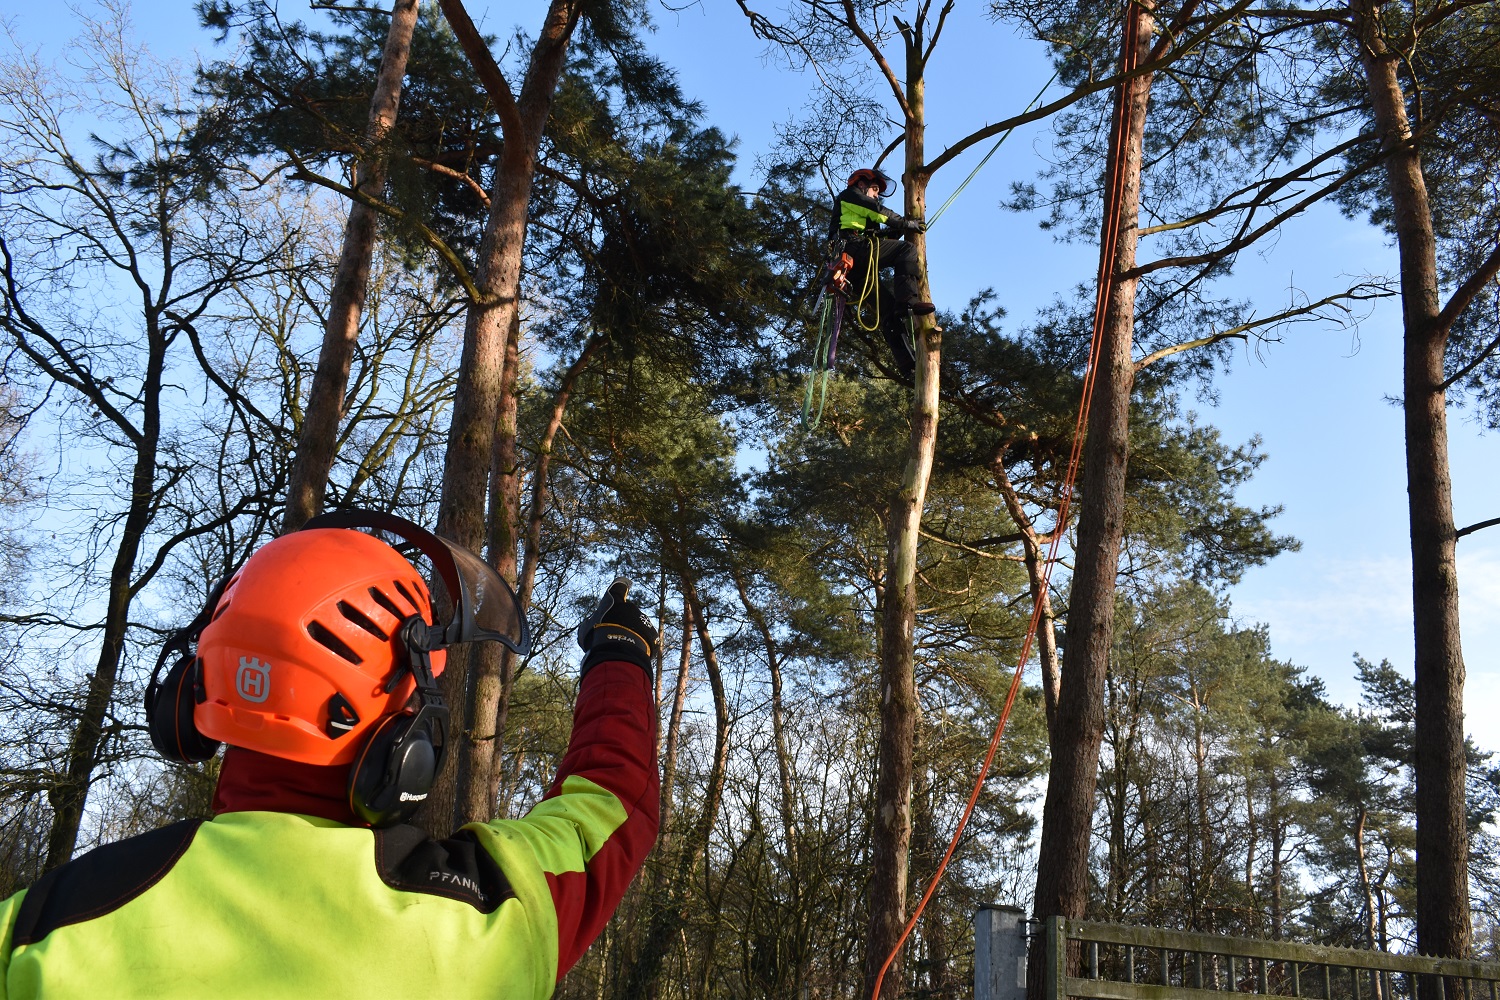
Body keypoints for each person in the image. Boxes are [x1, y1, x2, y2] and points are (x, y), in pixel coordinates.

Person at [0, 510, 659, 999]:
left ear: (194, 695)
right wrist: (619, 653)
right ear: (406, 741)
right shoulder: (482, 921)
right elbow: (611, 802)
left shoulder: (37, 927)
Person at [828, 167, 937, 378]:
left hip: (854, 264)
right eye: (875, 188)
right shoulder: (850, 196)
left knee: (888, 312)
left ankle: (908, 364)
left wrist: (892, 231)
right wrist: (906, 223)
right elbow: (877, 210)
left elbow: (873, 228)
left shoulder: (854, 210)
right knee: (906, 250)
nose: (877, 194)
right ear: (862, 184)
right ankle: (908, 301)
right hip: (854, 249)